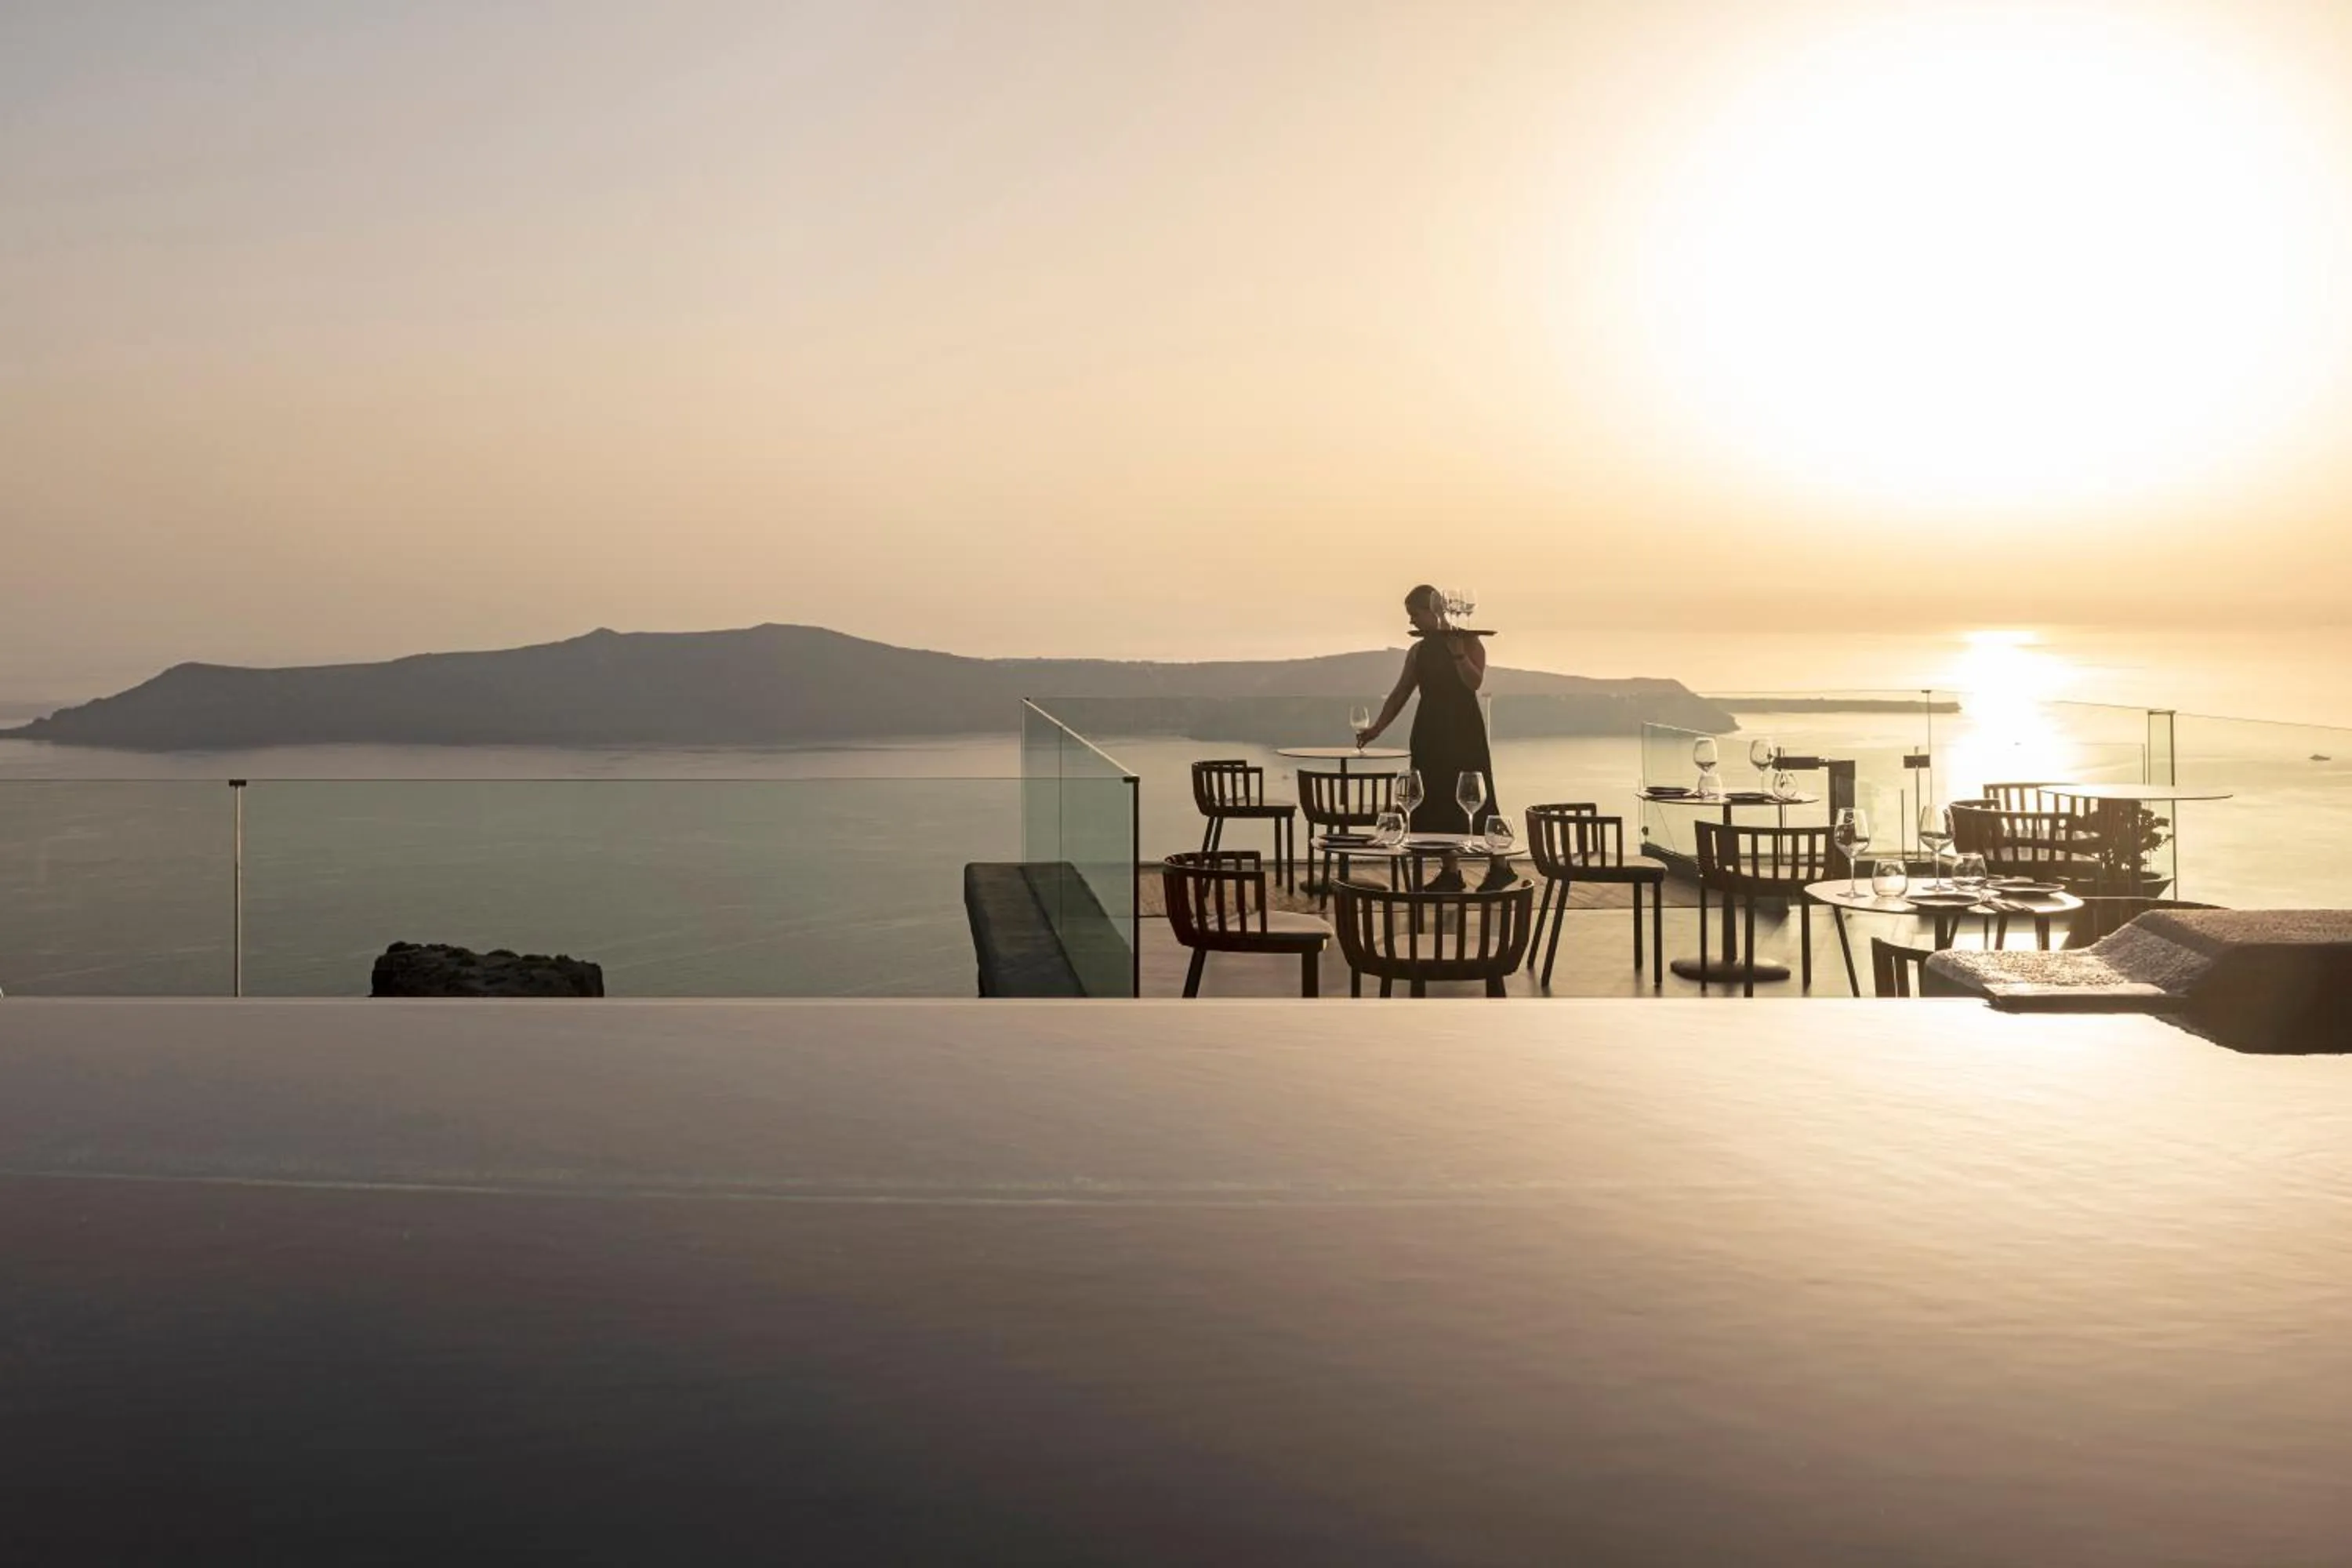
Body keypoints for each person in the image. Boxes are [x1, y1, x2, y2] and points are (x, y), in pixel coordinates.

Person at [1355, 584, 1497, 833]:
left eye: (1415, 614)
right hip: (1429, 728)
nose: (1411, 620)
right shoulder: (1418, 650)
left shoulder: (1469, 641)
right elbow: (1401, 692)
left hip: (1464, 727)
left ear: (1434, 610)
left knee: (1472, 788)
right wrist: (1377, 728)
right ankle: (1449, 866)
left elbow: (1474, 683)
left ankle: (1497, 865)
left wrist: (1458, 655)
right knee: (1434, 792)